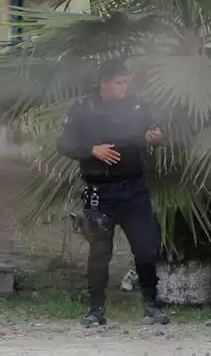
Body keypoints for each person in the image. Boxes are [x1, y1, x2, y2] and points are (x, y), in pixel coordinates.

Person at [57, 59, 169, 327]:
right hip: (100, 193)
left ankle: (151, 307)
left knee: (145, 249)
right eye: (119, 82)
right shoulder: (84, 108)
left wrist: (156, 136)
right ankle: (95, 310)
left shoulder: (138, 105)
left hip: (134, 190)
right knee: (99, 253)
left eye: (127, 81)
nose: (124, 87)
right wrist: (92, 150)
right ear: (104, 83)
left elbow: (158, 134)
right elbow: (64, 143)